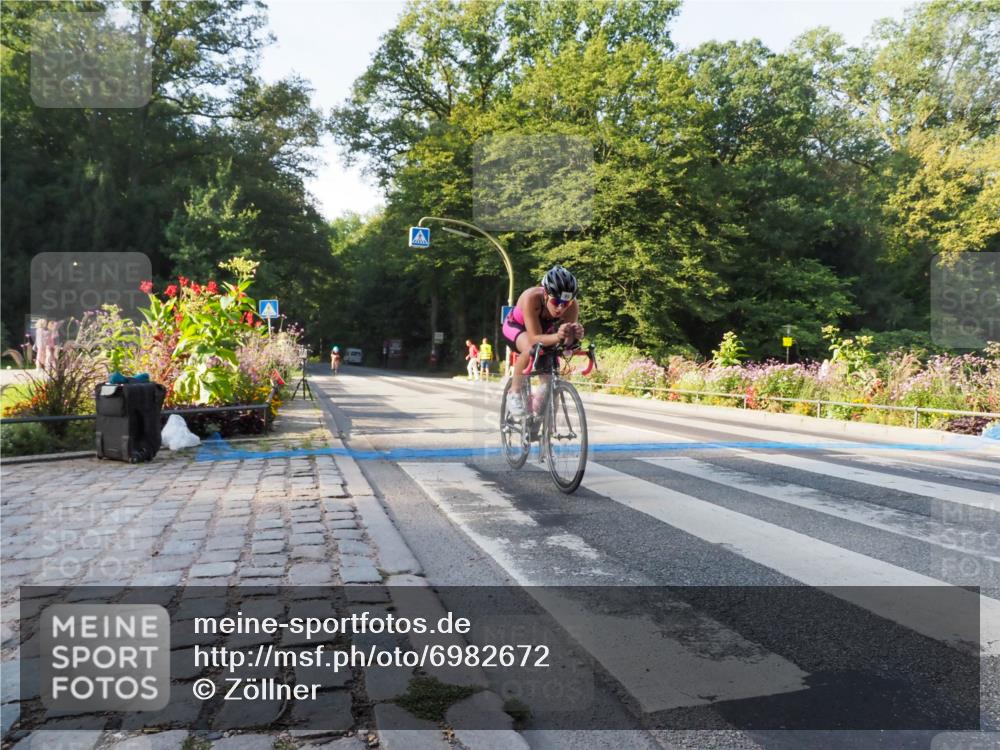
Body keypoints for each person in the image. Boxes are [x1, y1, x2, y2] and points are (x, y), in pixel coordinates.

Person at [501, 265, 584, 418]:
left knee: (551, 381)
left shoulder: (572, 306)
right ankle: (514, 392)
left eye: (565, 303)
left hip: (545, 333)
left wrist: (574, 337)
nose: (560, 308)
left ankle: (542, 425)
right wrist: (559, 336)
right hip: (516, 327)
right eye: (556, 301)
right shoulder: (531, 297)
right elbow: (534, 339)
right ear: (545, 293)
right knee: (530, 348)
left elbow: (566, 343)